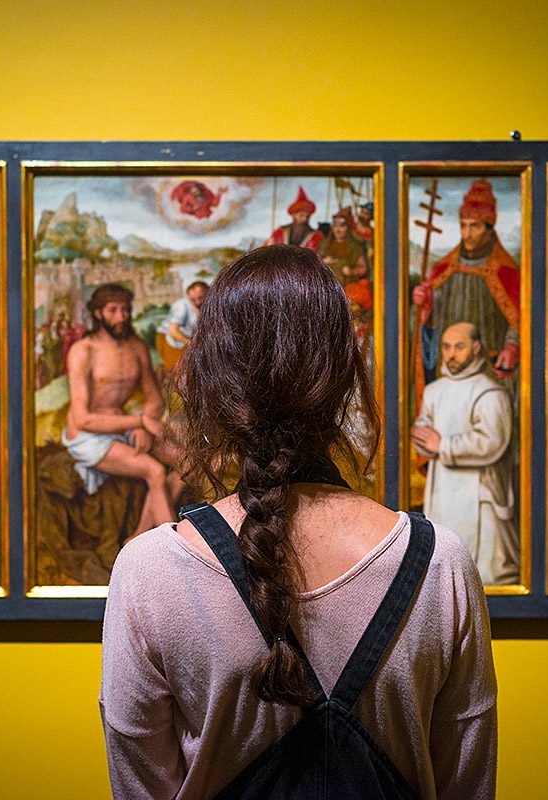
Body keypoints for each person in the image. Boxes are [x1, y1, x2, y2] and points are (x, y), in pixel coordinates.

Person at [101, 245, 496, 798]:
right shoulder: (440, 563)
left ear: (212, 382)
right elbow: (468, 787)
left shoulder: (147, 572)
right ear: (344, 377)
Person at [64, 283, 183, 534]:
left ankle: (138, 537)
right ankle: (172, 550)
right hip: (89, 437)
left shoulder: (136, 347)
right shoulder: (83, 351)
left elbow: (154, 398)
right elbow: (83, 419)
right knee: (155, 471)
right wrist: (139, 423)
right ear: (98, 314)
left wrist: (145, 428)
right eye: (113, 310)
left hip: (125, 427)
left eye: (125, 310)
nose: (122, 317)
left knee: (188, 463)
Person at [412, 322, 519, 585]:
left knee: (485, 576)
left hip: (480, 497)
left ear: (477, 347)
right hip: (443, 493)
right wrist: (422, 439)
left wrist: (443, 445)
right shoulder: (434, 390)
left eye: (459, 347)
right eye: (446, 347)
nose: (451, 354)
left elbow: (492, 443)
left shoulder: (491, 392)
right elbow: (424, 432)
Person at [411, 178, 521, 383]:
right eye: (463, 226)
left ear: (490, 228)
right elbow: (431, 318)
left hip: (490, 368)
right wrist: (425, 301)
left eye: (475, 226)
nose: (467, 234)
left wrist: (512, 346)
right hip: (450, 367)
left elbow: (519, 318)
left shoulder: (507, 271)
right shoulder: (444, 269)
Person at [155, 280, 208, 374]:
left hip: (185, 341)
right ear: (189, 296)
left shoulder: (208, 306)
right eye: (193, 299)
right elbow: (173, 331)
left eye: (201, 298)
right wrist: (190, 343)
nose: (198, 302)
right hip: (169, 339)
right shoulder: (182, 306)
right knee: (179, 371)